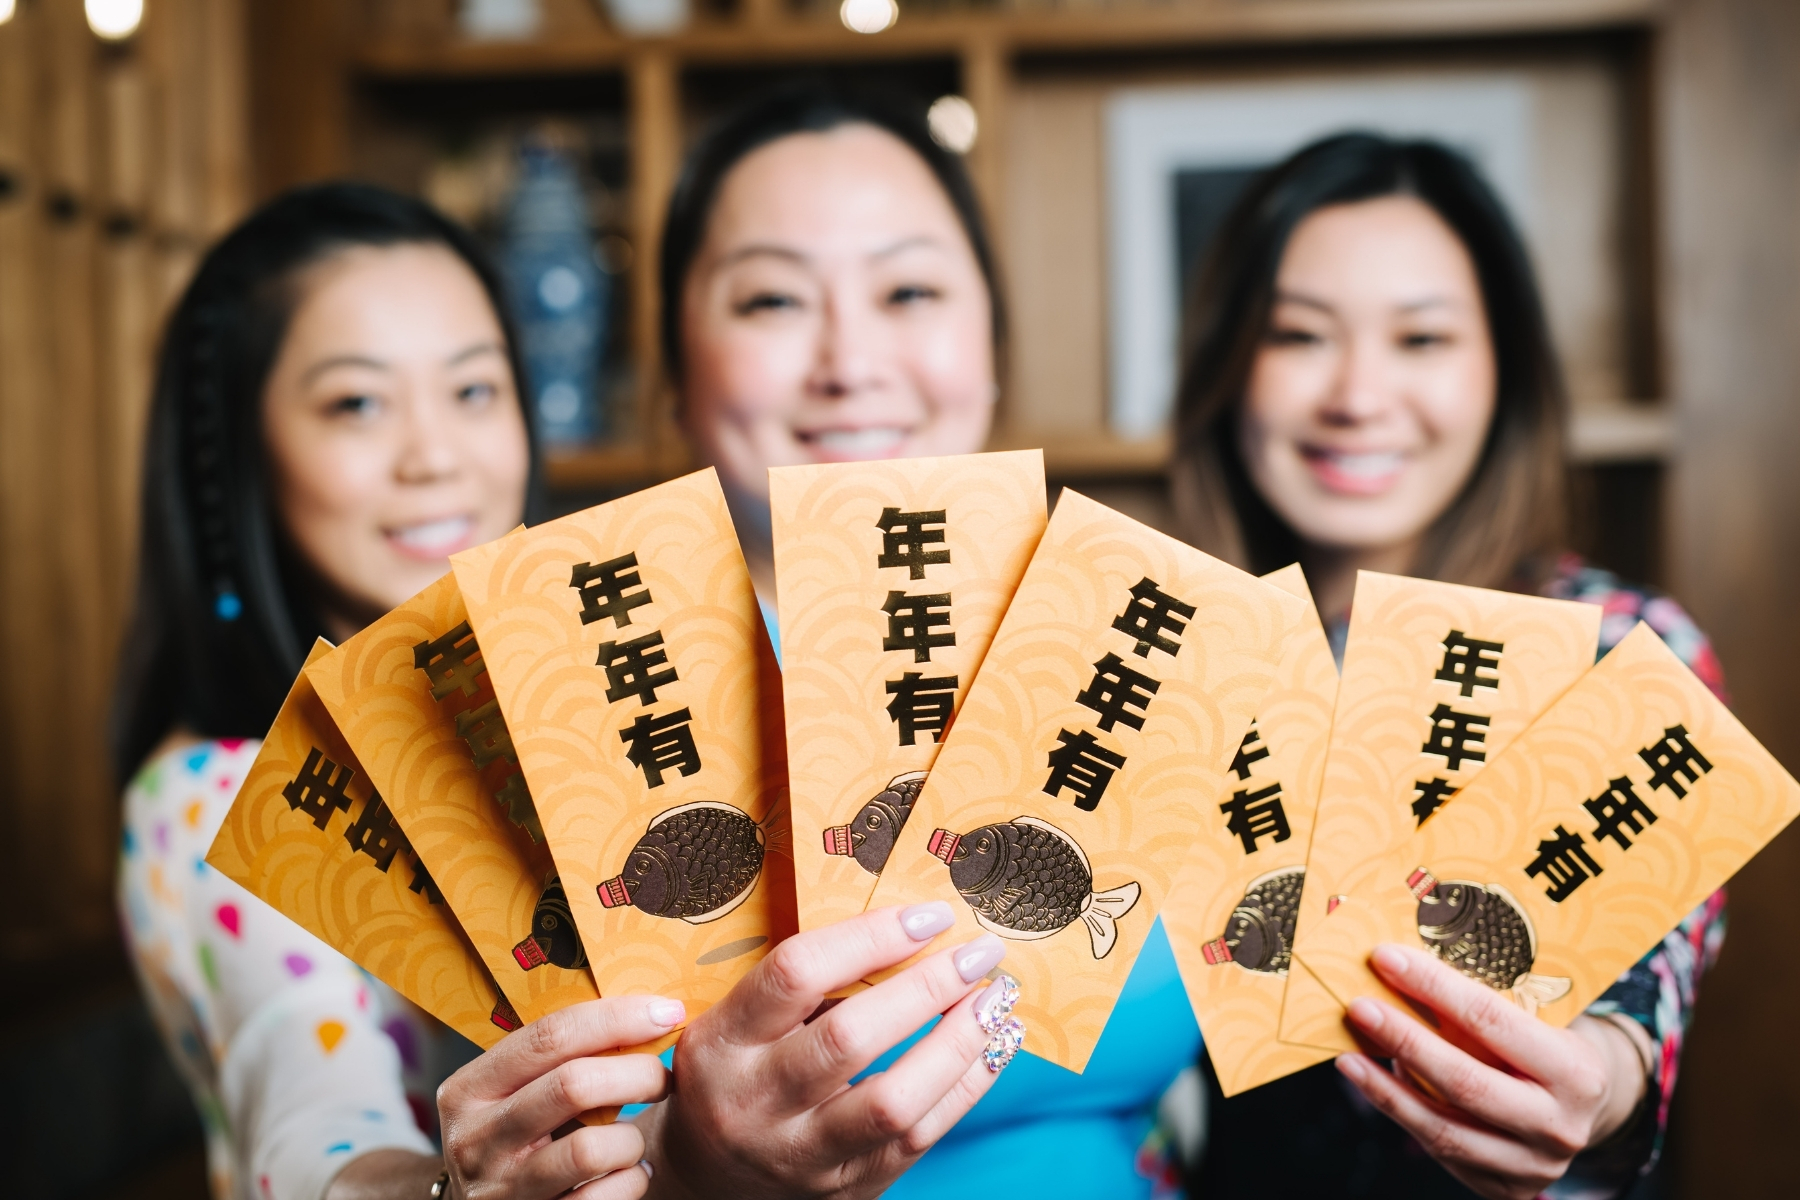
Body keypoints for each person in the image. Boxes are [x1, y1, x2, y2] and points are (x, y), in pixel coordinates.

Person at [1168, 132, 1727, 1199]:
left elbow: (1645, 985)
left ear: (1501, 368)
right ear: (1228, 364)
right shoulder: (1182, 662)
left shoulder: (1613, 650)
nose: (1359, 394)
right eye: (1298, 334)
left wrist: (1599, 1082)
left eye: (1422, 338)